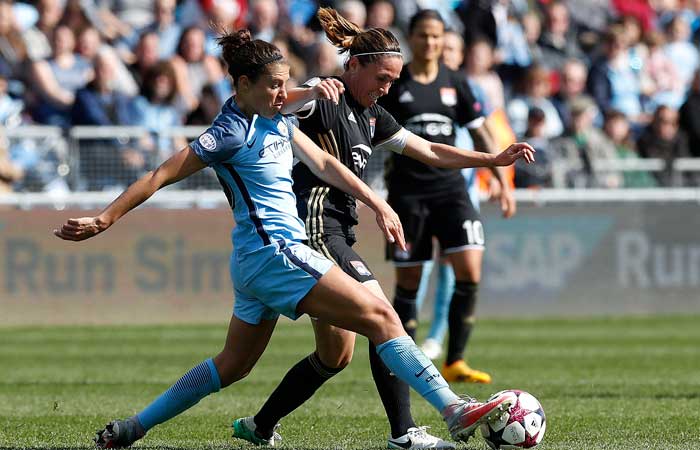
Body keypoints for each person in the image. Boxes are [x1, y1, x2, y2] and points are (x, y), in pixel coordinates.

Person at [54, 28, 534, 449]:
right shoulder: (230, 132)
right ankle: (450, 411)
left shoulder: (276, 118)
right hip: (277, 252)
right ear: (244, 85)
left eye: (286, 84)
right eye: (275, 85)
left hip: (253, 262)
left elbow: (326, 164)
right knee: (383, 316)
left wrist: (380, 203)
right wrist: (105, 218)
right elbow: (160, 174)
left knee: (233, 365)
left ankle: (132, 428)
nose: (284, 93)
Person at [230, 8, 534, 450]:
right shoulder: (324, 95)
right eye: (382, 79)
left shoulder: (372, 114)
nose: (387, 88)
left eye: (393, 80)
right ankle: (408, 431)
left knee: (335, 356)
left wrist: (490, 160)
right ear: (353, 65)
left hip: (339, 230)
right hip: (314, 226)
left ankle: (259, 426)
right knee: (382, 316)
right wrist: (304, 88)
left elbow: (428, 149)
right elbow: (269, 105)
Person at [379, 9, 516, 385]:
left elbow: (481, 132)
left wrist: (501, 181)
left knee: (470, 270)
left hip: (451, 191)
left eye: (436, 36)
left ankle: (455, 360)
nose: (430, 42)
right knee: (408, 283)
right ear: (412, 38)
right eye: (423, 35)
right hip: (408, 196)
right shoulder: (395, 83)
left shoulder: (456, 82)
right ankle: (403, 363)